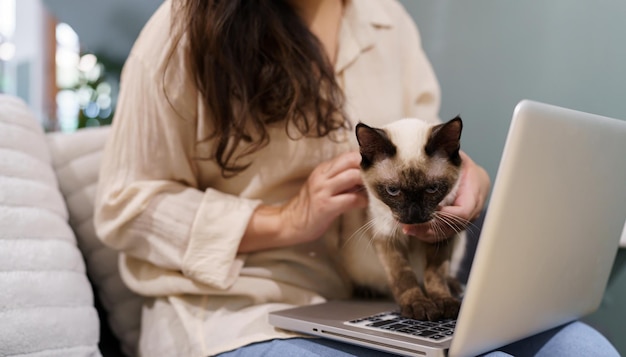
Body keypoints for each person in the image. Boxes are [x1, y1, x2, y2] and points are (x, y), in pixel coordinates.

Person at [94, 0, 619, 356]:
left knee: (584, 349)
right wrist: (284, 220)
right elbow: (124, 205)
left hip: (378, 301)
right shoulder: (181, 29)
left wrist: (467, 181)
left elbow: (421, 148)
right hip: (245, 309)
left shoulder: (386, 18)